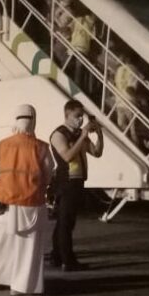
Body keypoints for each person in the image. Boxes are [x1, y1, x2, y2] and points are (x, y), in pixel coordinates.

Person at [0, 104, 54, 295]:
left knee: (1, 242)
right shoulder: (41, 147)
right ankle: (20, 286)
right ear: (34, 120)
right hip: (31, 202)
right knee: (28, 246)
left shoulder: (2, 144)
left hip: (5, 200)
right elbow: (48, 172)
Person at [49, 100, 103, 270]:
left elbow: (96, 152)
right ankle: (68, 260)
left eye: (82, 116)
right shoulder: (59, 134)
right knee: (65, 222)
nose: (80, 120)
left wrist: (99, 133)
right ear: (67, 115)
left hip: (78, 182)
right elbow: (67, 156)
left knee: (66, 222)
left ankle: (57, 256)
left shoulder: (79, 134)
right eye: (77, 116)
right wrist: (83, 136)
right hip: (66, 183)